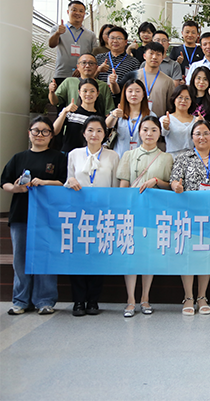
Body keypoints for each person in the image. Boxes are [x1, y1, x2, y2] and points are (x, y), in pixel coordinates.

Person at [2, 116, 67, 315]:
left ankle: (45, 300)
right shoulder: (18, 157)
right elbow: (4, 182)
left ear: (51, 135)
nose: (40, 135)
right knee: (20, 259)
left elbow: (64, 182)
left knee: (46, 257)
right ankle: (20, 301)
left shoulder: (58, 157)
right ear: (29, 133)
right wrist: (16, 188)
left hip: (48, 216)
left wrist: (45, 182)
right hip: (21, 214)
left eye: (45, 131)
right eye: (36, 131)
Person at [170, 120, 210, 316]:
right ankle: (188, 297)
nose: (202, 137)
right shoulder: (183, 158)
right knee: (188, 254)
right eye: (198, 133)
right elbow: (174, 181)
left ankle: (202, 296)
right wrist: (176, 187)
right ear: (192, 137)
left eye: (206, 133)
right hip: (188, 213)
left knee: (206, 253)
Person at [116, 116, 173, 317]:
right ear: (139, 132)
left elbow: (170, 186)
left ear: (160, 133)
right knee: (131, 254)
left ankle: (145, 297)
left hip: (155, 213)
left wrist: (156, 181)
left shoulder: (167, 158)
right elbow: (123, 185)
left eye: (154, 130)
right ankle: (130, 299)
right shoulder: (128, 155)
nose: (149, 134)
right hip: (132, 212)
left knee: (149, 255)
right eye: (145, 129)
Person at [64, 116, 120, 316]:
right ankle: (78, 301)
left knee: (98, 255)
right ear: (84, 133)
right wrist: (70, 181)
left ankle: (93, 300)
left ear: (105, 134)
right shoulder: (74, 154)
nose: (94, 134)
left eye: (99, 130)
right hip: (78, 213)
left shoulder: (113, 156)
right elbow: (68, 180)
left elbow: (115, 187)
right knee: (78, 255)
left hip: (103, 214)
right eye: (90, 130)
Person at [49, 53, 116, 116]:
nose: (87, 66)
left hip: (94, 121)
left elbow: (108, 111)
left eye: (91, 63)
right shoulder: (69, 81)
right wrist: (51, 92)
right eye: (84, 63)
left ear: (96, 67)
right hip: (72, 120)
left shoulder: (103, 86)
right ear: (78, 67)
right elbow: (54, 102)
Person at [49, 0, 98, 85]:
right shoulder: (57, 29)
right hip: (62, 73)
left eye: (81, 11)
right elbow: (51, 45)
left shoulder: (91, 35)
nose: (77, 13)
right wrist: (57, 33)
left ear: (84, 14)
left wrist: (82, 68)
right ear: (68, 12)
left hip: (83, 75)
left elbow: (94, 55)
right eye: (74, 10)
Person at [106, 79, 155, 157]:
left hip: (141, 158)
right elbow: (107, 125)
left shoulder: (150, 116)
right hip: (119, 157)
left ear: (143, 94)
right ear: (125, 93)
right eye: (130, 91)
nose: (134, 94)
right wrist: (113, 115)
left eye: (137, 91)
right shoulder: (118, 112)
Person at [53, 78, 102, 153]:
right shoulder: (71, 112)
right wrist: (65, 112)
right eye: (85, 91)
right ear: (79, 92)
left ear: (97, 93)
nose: (88, 94)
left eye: (92, 91)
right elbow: (54, 131)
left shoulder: (99, 118)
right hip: (68, 154)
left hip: (87, 156)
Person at [135, 42, 176, 117]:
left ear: (162, 58)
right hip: (135, 121)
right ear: (144, 56)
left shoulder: (168, 81)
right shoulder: (134, 77)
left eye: (158, 54)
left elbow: (170, 107)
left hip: (158, 121)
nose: (154, 57)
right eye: (151, 53)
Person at [96, 26, 141, 92]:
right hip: (100, 96)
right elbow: (90, 78)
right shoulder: (99, 58)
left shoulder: (134, 62)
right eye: (112, 38)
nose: (115, 41)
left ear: (126, 42)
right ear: (108, 40)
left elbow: (135, 84)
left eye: (119, 38)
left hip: (122, 96)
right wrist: (98, 70)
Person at [160, 85, 197, 156]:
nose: (183, 101)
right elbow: (164, 134)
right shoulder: (166, 119)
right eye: (180, 97)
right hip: (173, 157)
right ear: (174, 99)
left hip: (191, 157)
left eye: (187, 98)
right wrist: (165, 127)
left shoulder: (196, 120)